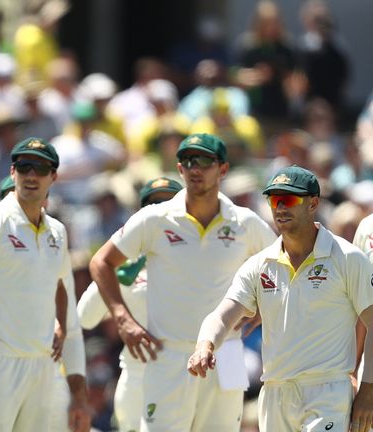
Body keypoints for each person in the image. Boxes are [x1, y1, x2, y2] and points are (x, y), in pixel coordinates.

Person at [89, 133, 275, 431]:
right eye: (188, 162)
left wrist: (262, 308)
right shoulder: (155, 218)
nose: (195, 168)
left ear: (223, 169)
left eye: (203, 161)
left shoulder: (245, 222)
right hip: (168, 353)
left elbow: (280, 267)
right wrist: (123, 318)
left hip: (228, 351)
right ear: (179, 169)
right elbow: (101, 262)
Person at [188, 165, 373, 432]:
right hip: (275, 393)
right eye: (275, 200)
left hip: (327, 391)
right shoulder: (260, 264)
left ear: (313, 204)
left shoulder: (347, 258)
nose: (280, 208)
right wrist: (205, 345)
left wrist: (368, 388)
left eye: (288, 199)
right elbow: (223, 314)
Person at [0, 137, 89, 432]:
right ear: (12, 172)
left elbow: (61, 291)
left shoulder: (57, 231)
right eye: (25, 167)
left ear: (53, 177)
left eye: (41, 169)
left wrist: (62, 326)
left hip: (43, 364)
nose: (32, 175)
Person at [78, 177, 183, 432]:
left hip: (186, 379)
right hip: (138, 379)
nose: (161, 211)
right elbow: (85, 317)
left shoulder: (204, 257)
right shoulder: (128, 262)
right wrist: (118, 270)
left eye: (170, 203)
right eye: (153, 205)